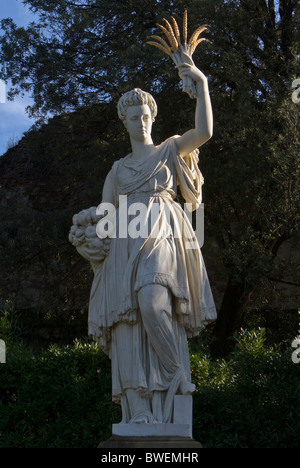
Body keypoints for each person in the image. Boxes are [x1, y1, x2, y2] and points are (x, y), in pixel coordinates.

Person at [70, 62, 217, 424]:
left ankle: (175, 372)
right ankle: (137, 410)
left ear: (153, 116)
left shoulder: (169, 150)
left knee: (152, 304)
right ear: (125, 122)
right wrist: (85, 228)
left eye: (146, 115)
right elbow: (105, 218)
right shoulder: (117, 171)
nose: (142, 122)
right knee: (127, 323)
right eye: (134, 117)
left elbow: (204, 131)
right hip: (124, 245)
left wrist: (202, 83)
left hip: (162, 233)